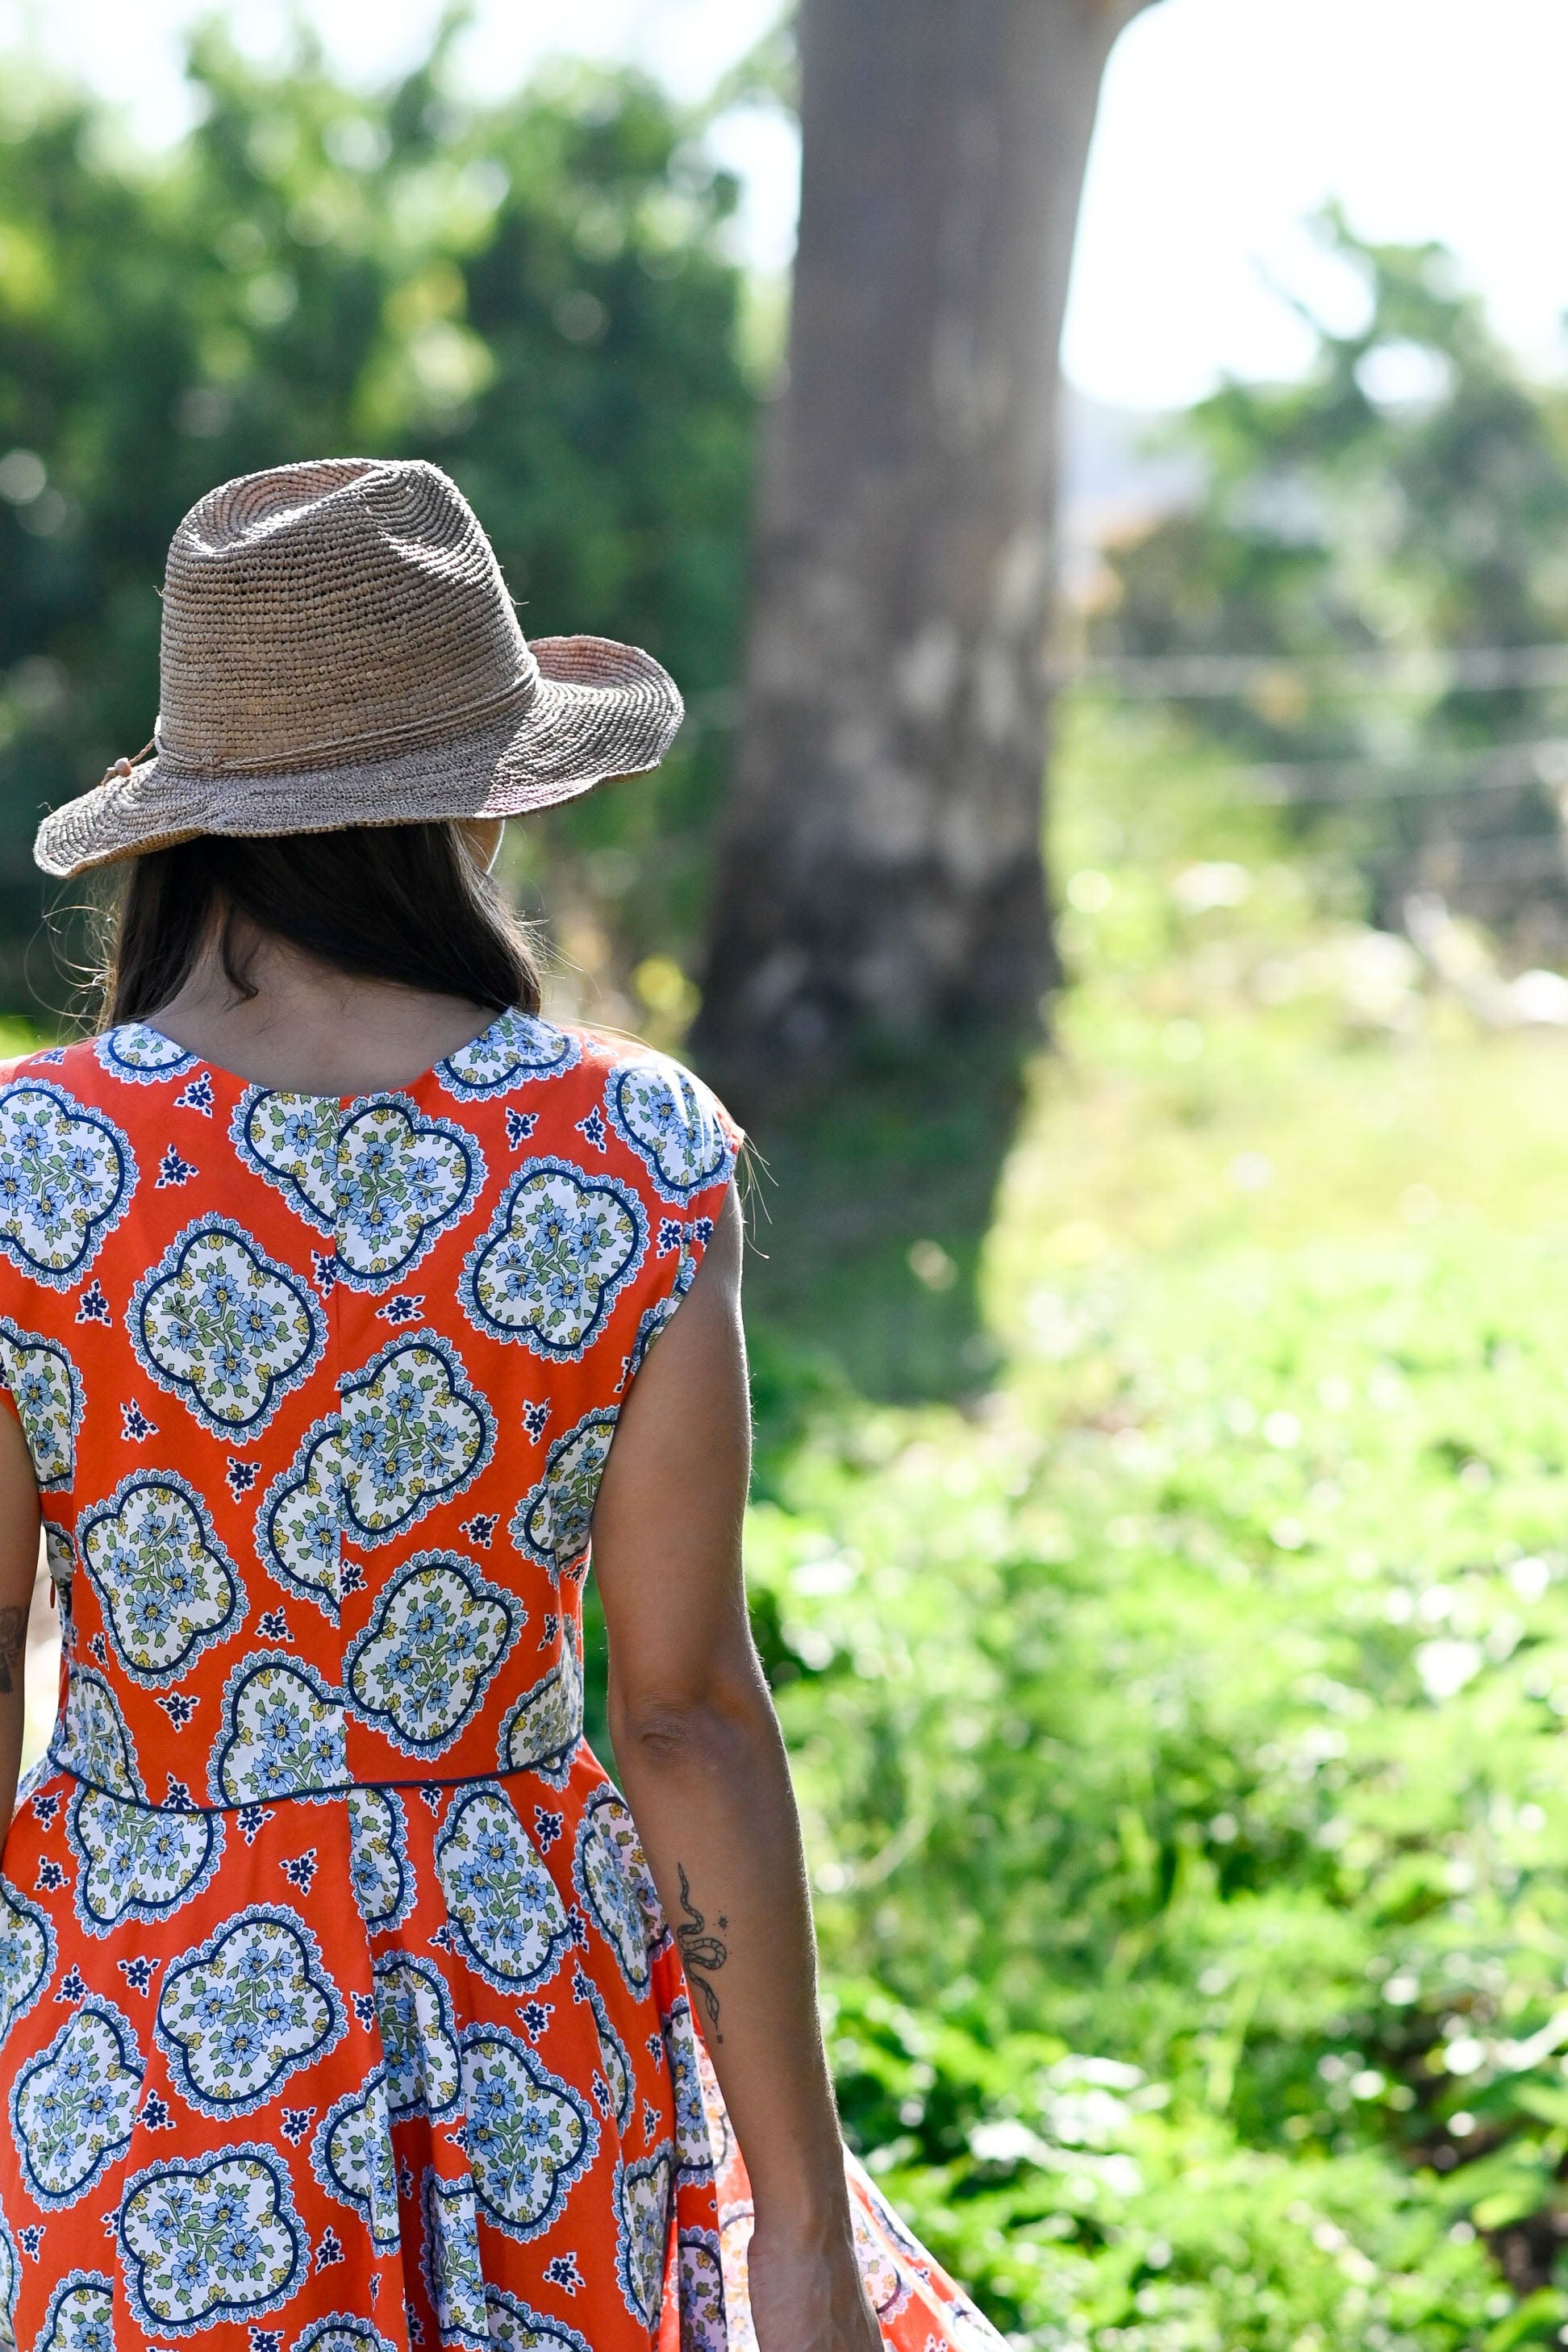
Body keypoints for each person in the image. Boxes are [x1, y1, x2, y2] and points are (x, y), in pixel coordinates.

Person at [0, 459, 1005, 2352]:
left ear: (187, 821)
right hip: (535, 2045)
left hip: (131, 2058)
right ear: (480, 797)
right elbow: (688, 1712)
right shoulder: (630, 1149)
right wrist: (799, 2237)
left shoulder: (30, 1168)